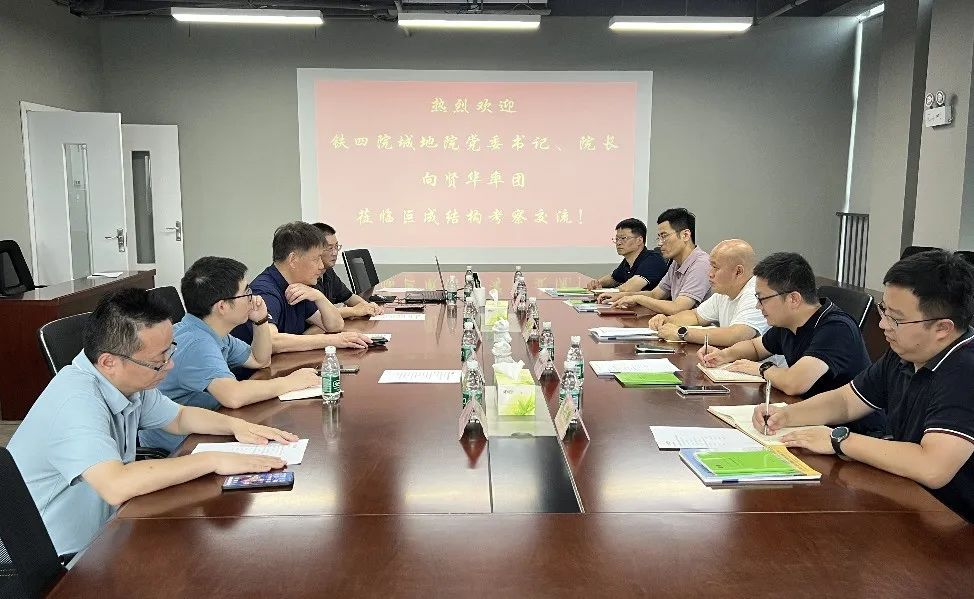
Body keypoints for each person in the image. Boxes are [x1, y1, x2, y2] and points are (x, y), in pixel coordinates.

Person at [6, 289, 297, 558]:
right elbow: (116, 484)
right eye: (158, 359)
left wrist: (236, 427)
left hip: (109, 532)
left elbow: (179, 417)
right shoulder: (75, 402)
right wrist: (213, 459)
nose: (169, 365)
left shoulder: (125, 381)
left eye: (170, 350)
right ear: (109, 362)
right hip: (57, 560)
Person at [755, 250, 974, 522]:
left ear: (942, 328)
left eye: (896, 318)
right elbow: (847, 400)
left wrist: (839, 440)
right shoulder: (904, 354)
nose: (882, 324)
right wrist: (786, 415)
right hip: (908, 498)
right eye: (884, 310)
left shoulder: (964, 370)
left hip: (954, 524)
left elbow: (932, 466)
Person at [139, 257, 322, 454]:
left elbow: (260, 360)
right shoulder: (196, 343)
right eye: (246, 292)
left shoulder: (213, 331)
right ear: (222, 307)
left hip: (209, 425)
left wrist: (260, 321)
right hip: (181, 446)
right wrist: (291, 382)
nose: (254, 298)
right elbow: (233, 396)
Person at [701, 252, 884, 435]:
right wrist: (724, 355)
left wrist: (762, 368)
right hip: (811, 419)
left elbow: (794, 383)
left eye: (762, 299)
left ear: (793, 299)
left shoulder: (836, 328)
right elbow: (755, 347)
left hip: (850, 433)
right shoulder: (788, 323)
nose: (758, 306)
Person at [231, 221, 371, 352]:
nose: (321, 266)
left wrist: (319, 297)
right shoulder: (264, 290)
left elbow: (335, 326)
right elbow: (270, 341)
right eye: (316, 259)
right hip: (259, 370)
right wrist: (332, 340)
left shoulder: (299, 286)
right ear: (293, 260)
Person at [647, 239, 768, 346]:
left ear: (738, 272)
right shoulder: (724, 292)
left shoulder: (755, 294)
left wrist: (681, 333)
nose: (710, 273)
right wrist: (667, 320)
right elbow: (696, 316)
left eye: (716, 267)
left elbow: (737, 335)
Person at [603, 208, 711, 315]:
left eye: (664, 236)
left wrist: (637, 298)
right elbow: (655, 295)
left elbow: (677, 308)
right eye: (659, 237)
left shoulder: (701, 264)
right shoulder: (676, 263)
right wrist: (623, 296)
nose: (659, 243)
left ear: (685, 235)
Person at [311, 222, 384, 319]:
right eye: (330, 248)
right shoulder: (306, 277)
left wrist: (367, 307)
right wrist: (354, 311)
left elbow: (349, 298)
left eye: (336, 246)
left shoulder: (328, 271)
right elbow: (317, 315)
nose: (335, 252)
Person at [584, 218, 667, 293]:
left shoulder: (653, 259)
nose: (618, 243)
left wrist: (602, 292)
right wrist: (597, 283)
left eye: (623, 238)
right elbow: (613, 278)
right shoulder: (627, 261)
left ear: (639, 240)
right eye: (617, 239)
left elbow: (628, 289)